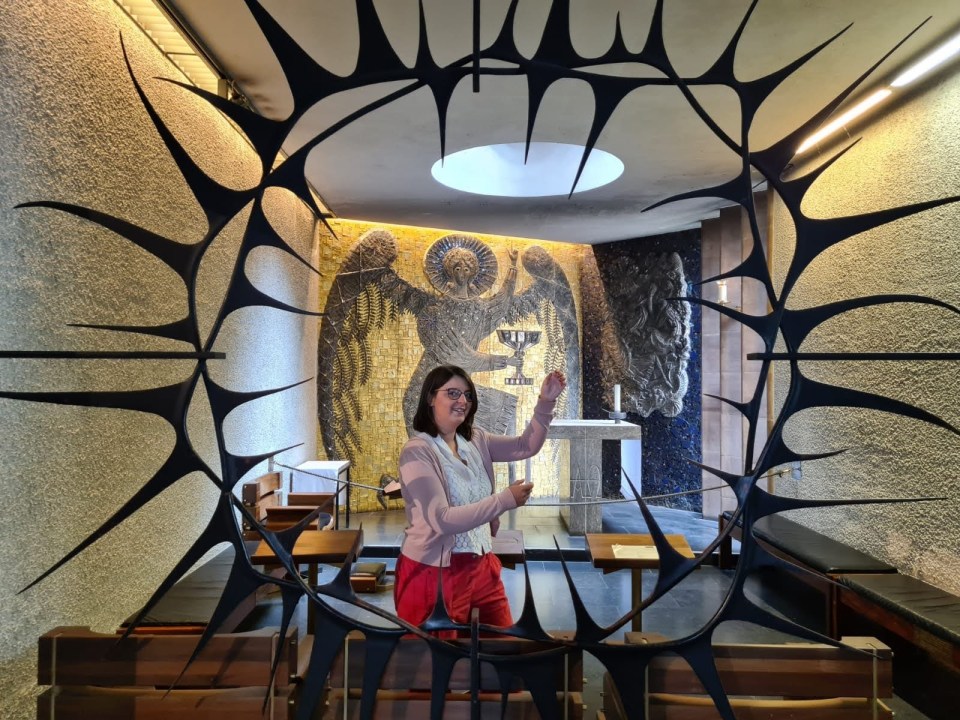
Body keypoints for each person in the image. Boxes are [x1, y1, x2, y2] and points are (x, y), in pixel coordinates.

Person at [394, 364, 567, 634]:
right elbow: (441, 520)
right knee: (438, 656)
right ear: (430, 398)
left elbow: (525, 446)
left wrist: (546, 401)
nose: (462, 401)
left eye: (467, 395)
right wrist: (504, 501)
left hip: (482, 565)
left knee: (501, 648)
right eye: (452, 393)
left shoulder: (475, 439)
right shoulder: (417, 452)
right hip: (433, 574)